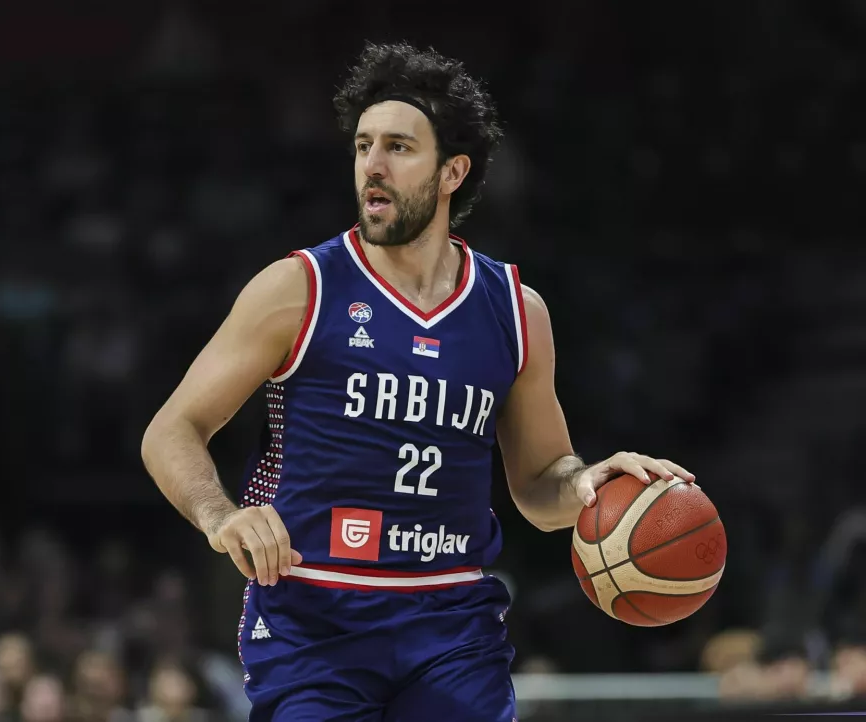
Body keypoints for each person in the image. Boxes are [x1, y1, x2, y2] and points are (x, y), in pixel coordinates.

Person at [141, 41, 695, 721]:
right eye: (363, 145)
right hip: (315, 618)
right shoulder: (300, 288)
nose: (372, 165)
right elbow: (171, 430)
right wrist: (220, 515)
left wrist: (586, 486)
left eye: (399, 147)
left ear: (452, 171)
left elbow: (538, 482)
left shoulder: (515, 311)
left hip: (452, 625)